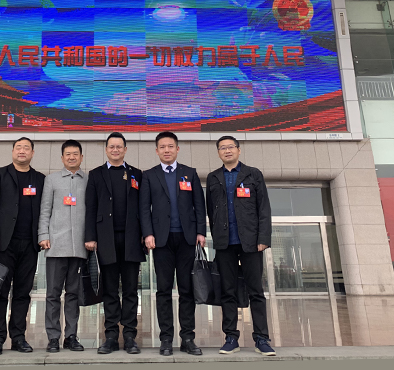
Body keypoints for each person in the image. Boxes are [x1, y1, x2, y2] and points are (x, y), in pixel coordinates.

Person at [206, 135, 275, 357]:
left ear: (238, 149)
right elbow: (211, 211)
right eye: (222, 148)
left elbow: (263, 208)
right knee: (227, 291)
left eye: (230, 147)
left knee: (256, 291)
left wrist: (263, 238)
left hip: (251, 242)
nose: (227, 151)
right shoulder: (213, 177)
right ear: (218, 152)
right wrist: (216, 236)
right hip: (225, 243)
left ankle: (261, 338)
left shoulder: (253, 174)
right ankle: (231, 337)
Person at [139, 131, 206, 356]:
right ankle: (166, 339)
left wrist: (201, 232)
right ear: (156, 151)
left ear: (177, 149)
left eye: (170, 146)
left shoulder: (190, 173)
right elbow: (144, 208)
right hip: (161, 240)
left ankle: (188, 338)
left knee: (187, 290)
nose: (166, 150)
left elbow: (199, 204)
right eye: (162, 147)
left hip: (187, 238)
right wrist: (148, 234)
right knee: (164, 290)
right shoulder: (149, 175)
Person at [0, 137, 45, 355]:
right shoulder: (0, 174)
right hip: (4, 244)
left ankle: (18, 338)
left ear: (32, 153)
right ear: (13, 152)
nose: (22, 151)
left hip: (30, 244)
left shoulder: (39, 179)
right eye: (19, 147)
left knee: (22, 293)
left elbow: (45, 209)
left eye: (26, 148)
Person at [85, 132, 144, 355]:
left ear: (125, 150)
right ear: (106, 149)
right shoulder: (96, 174)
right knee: (109, 290)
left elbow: (143, 207)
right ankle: (110, 336)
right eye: (112, 146)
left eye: (119, 146)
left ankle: (129, 336)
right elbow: (90, 207)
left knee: (130, 290)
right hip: (105, 239)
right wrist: (90, 236)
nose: (116, 150)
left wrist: (145, 233)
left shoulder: (137, 174)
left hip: (132, 239)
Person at [38, 139, 88, 353]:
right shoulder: (51, 180)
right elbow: (45, 210)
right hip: (56, 245)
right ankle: (53, 337)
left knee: (73, 294)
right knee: (53, 294)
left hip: (79, 247)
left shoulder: (88, 180)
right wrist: (43, 234)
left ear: (81, 157)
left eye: (75, 154)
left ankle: (71, 336)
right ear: (62, 157)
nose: (71, 157)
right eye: (68, 154)